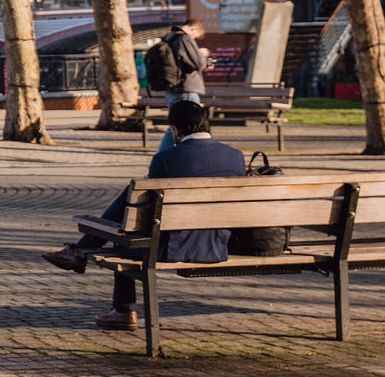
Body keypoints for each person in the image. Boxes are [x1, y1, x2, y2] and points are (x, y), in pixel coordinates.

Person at [42, 99, 246, 330]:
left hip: (173, 248)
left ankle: (122, 309)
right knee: (132, 200)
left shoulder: (166, 159)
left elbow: (147, 212)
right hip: (217, 247)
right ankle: (79, 252)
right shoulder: (235, 156)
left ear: (175, 130)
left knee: (126, 234)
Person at [145, 20, 209, 153]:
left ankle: (168, 155)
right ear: (194, 29)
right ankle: (167, 155)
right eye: (195, 37)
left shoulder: (169, 38)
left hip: (171, 87)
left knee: (177, 124)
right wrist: (202, 55)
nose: (194, 39)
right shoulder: (184, 38)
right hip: (185, 88)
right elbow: (197, 63)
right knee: (190, 124)